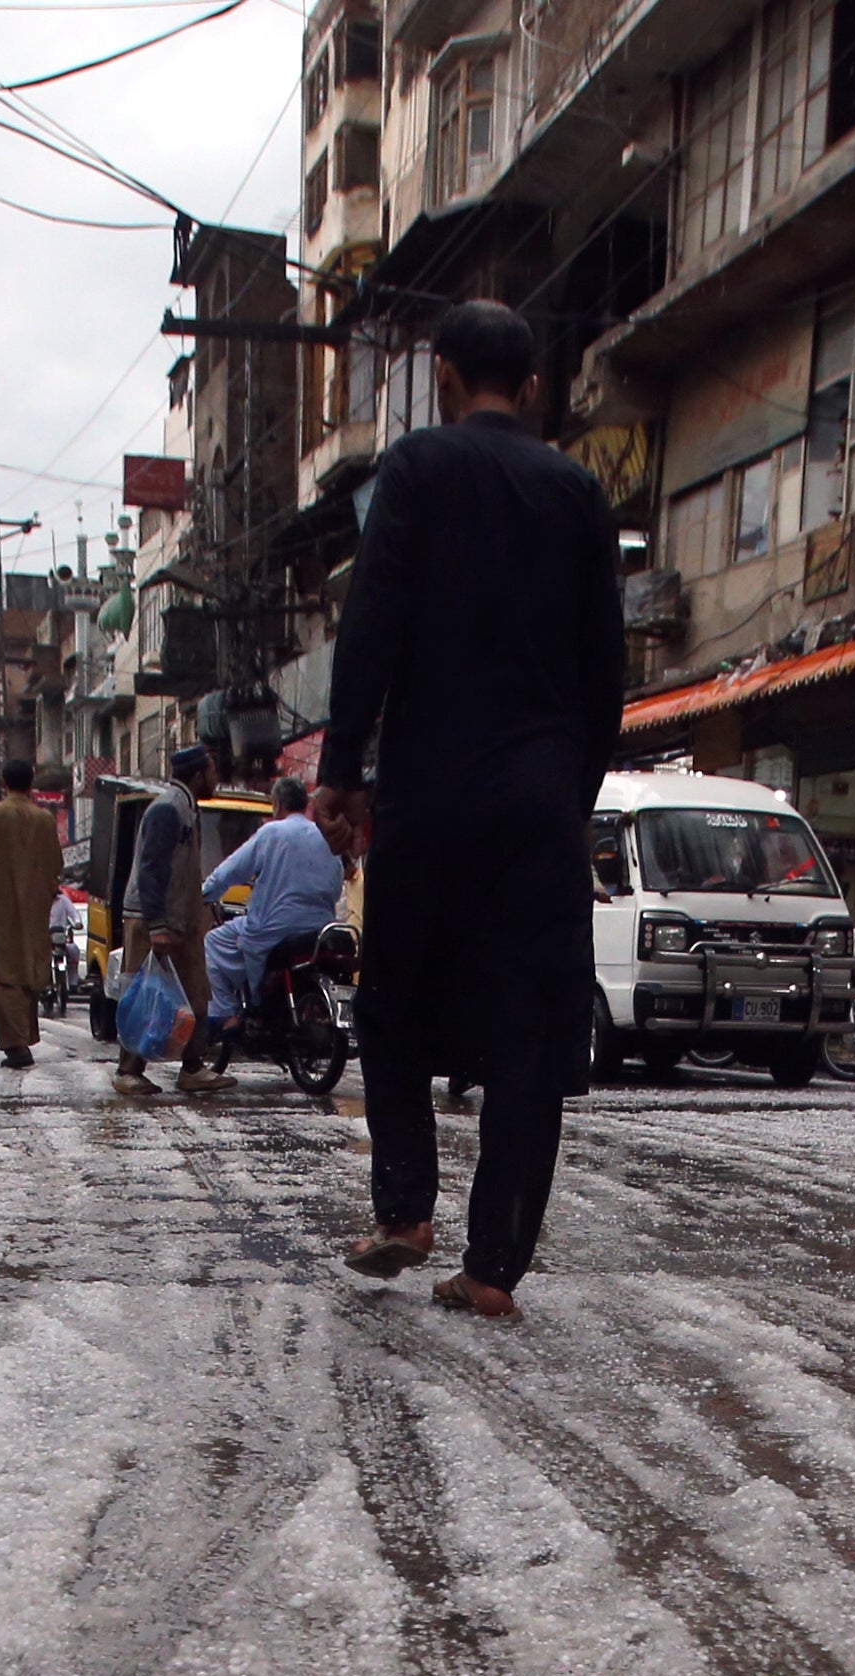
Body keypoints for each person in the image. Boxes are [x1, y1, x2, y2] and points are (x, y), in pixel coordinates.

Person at [311, 300, 624, 1319]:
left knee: (393, 1001)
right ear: (531, 386)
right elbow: (605, 675)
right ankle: (494, 1270)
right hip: (537, 800)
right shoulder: (579, 490)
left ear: (443, 374)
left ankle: (404, 1210)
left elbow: (376, 622)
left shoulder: (418, 467)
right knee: (530, 1034)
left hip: (432, 792)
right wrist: (566, 798)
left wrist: (343, 766)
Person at [201, 783, 358, 1039]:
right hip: (320, 928)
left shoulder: (271, 833)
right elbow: (335, 884)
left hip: (274, 929)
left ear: (277, 805)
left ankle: (231, 1014)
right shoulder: (324, 836)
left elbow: (230, 871)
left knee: (213, 942)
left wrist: (204, 893)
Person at [114, 745, 212, 1096]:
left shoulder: (187, 807)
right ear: (199, 775)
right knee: (144, 994)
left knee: (196, 993)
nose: (215, 777)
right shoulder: (168, 809)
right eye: (211, 770)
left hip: (181, 919)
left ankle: (193, 1067)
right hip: (152, 919)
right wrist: (156, 924)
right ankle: (128, 1069)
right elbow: (151, 869)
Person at [0, 758, 61, 1069]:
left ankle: (16, 1044)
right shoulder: (45, 819)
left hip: (3, 906)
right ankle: (24, 1036)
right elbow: (56, 865)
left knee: (5, 974)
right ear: (31, 784)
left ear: (4, 782)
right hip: (37, 907)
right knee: (29, 971)